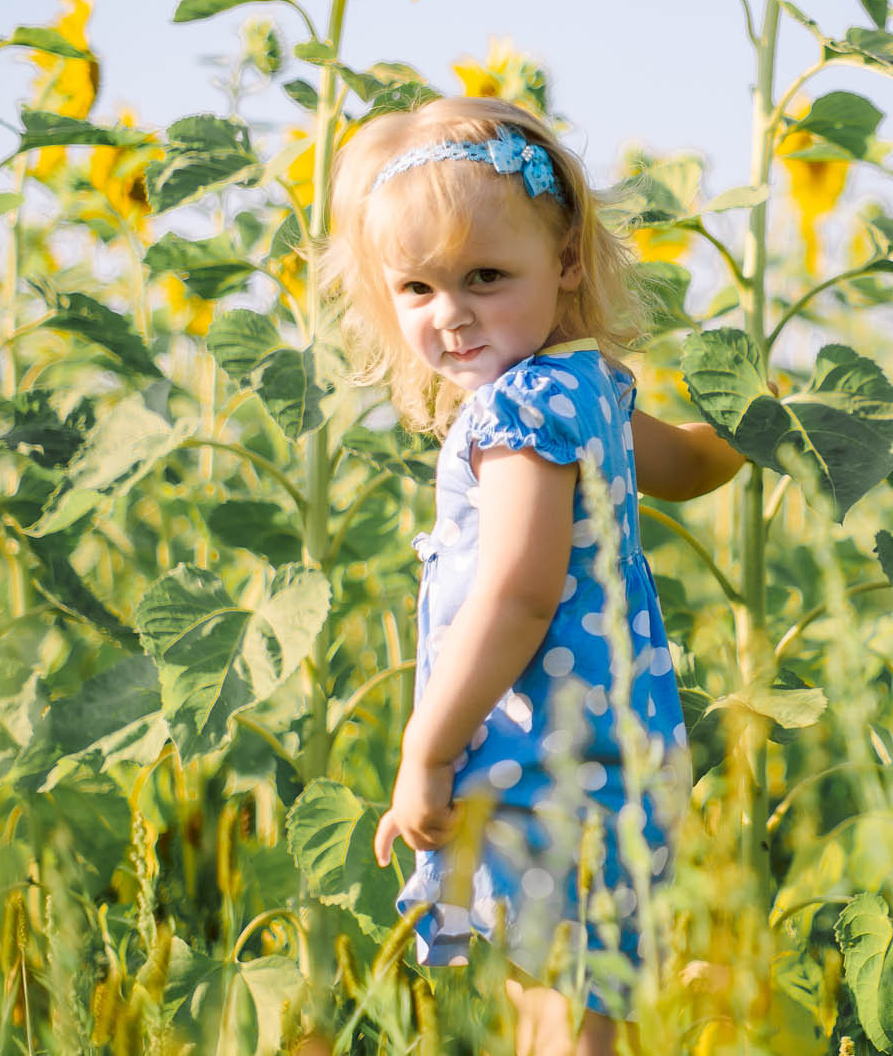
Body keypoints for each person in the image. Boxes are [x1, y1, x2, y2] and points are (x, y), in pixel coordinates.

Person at [315, 95, 745, 1056]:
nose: (451, 315)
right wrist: (757, 428)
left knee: (560, 1012)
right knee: (574, 996)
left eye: (483, 277)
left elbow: (519, 590)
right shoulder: (586, 384)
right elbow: (683, 463)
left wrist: (427, 749)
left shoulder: (519, 418)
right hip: (613, 748)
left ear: (563, 262)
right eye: (417, 289)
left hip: (547, 761)